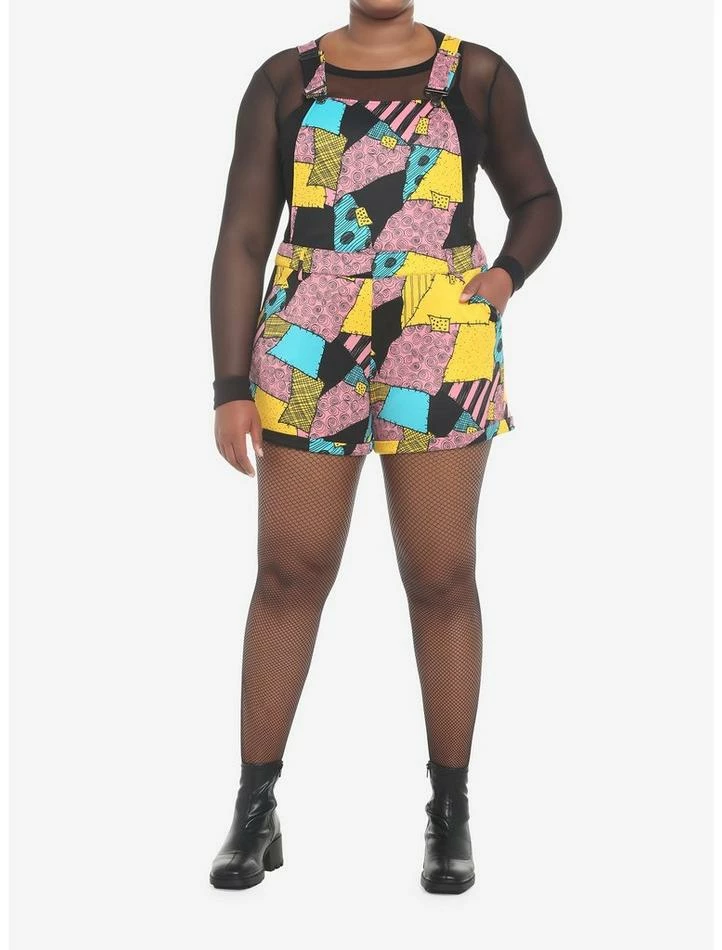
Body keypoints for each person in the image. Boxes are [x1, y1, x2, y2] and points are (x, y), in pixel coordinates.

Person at [208, 2, 561, 894]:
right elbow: (244, 236)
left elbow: (539, 200)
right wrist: (230, 384)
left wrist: (503, 279)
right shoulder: (286, 80)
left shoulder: (474, 74)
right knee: (289, 572)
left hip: (439, 332)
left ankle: (451, 811)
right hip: (308, 334)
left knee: (442, 576)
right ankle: (255, 807)